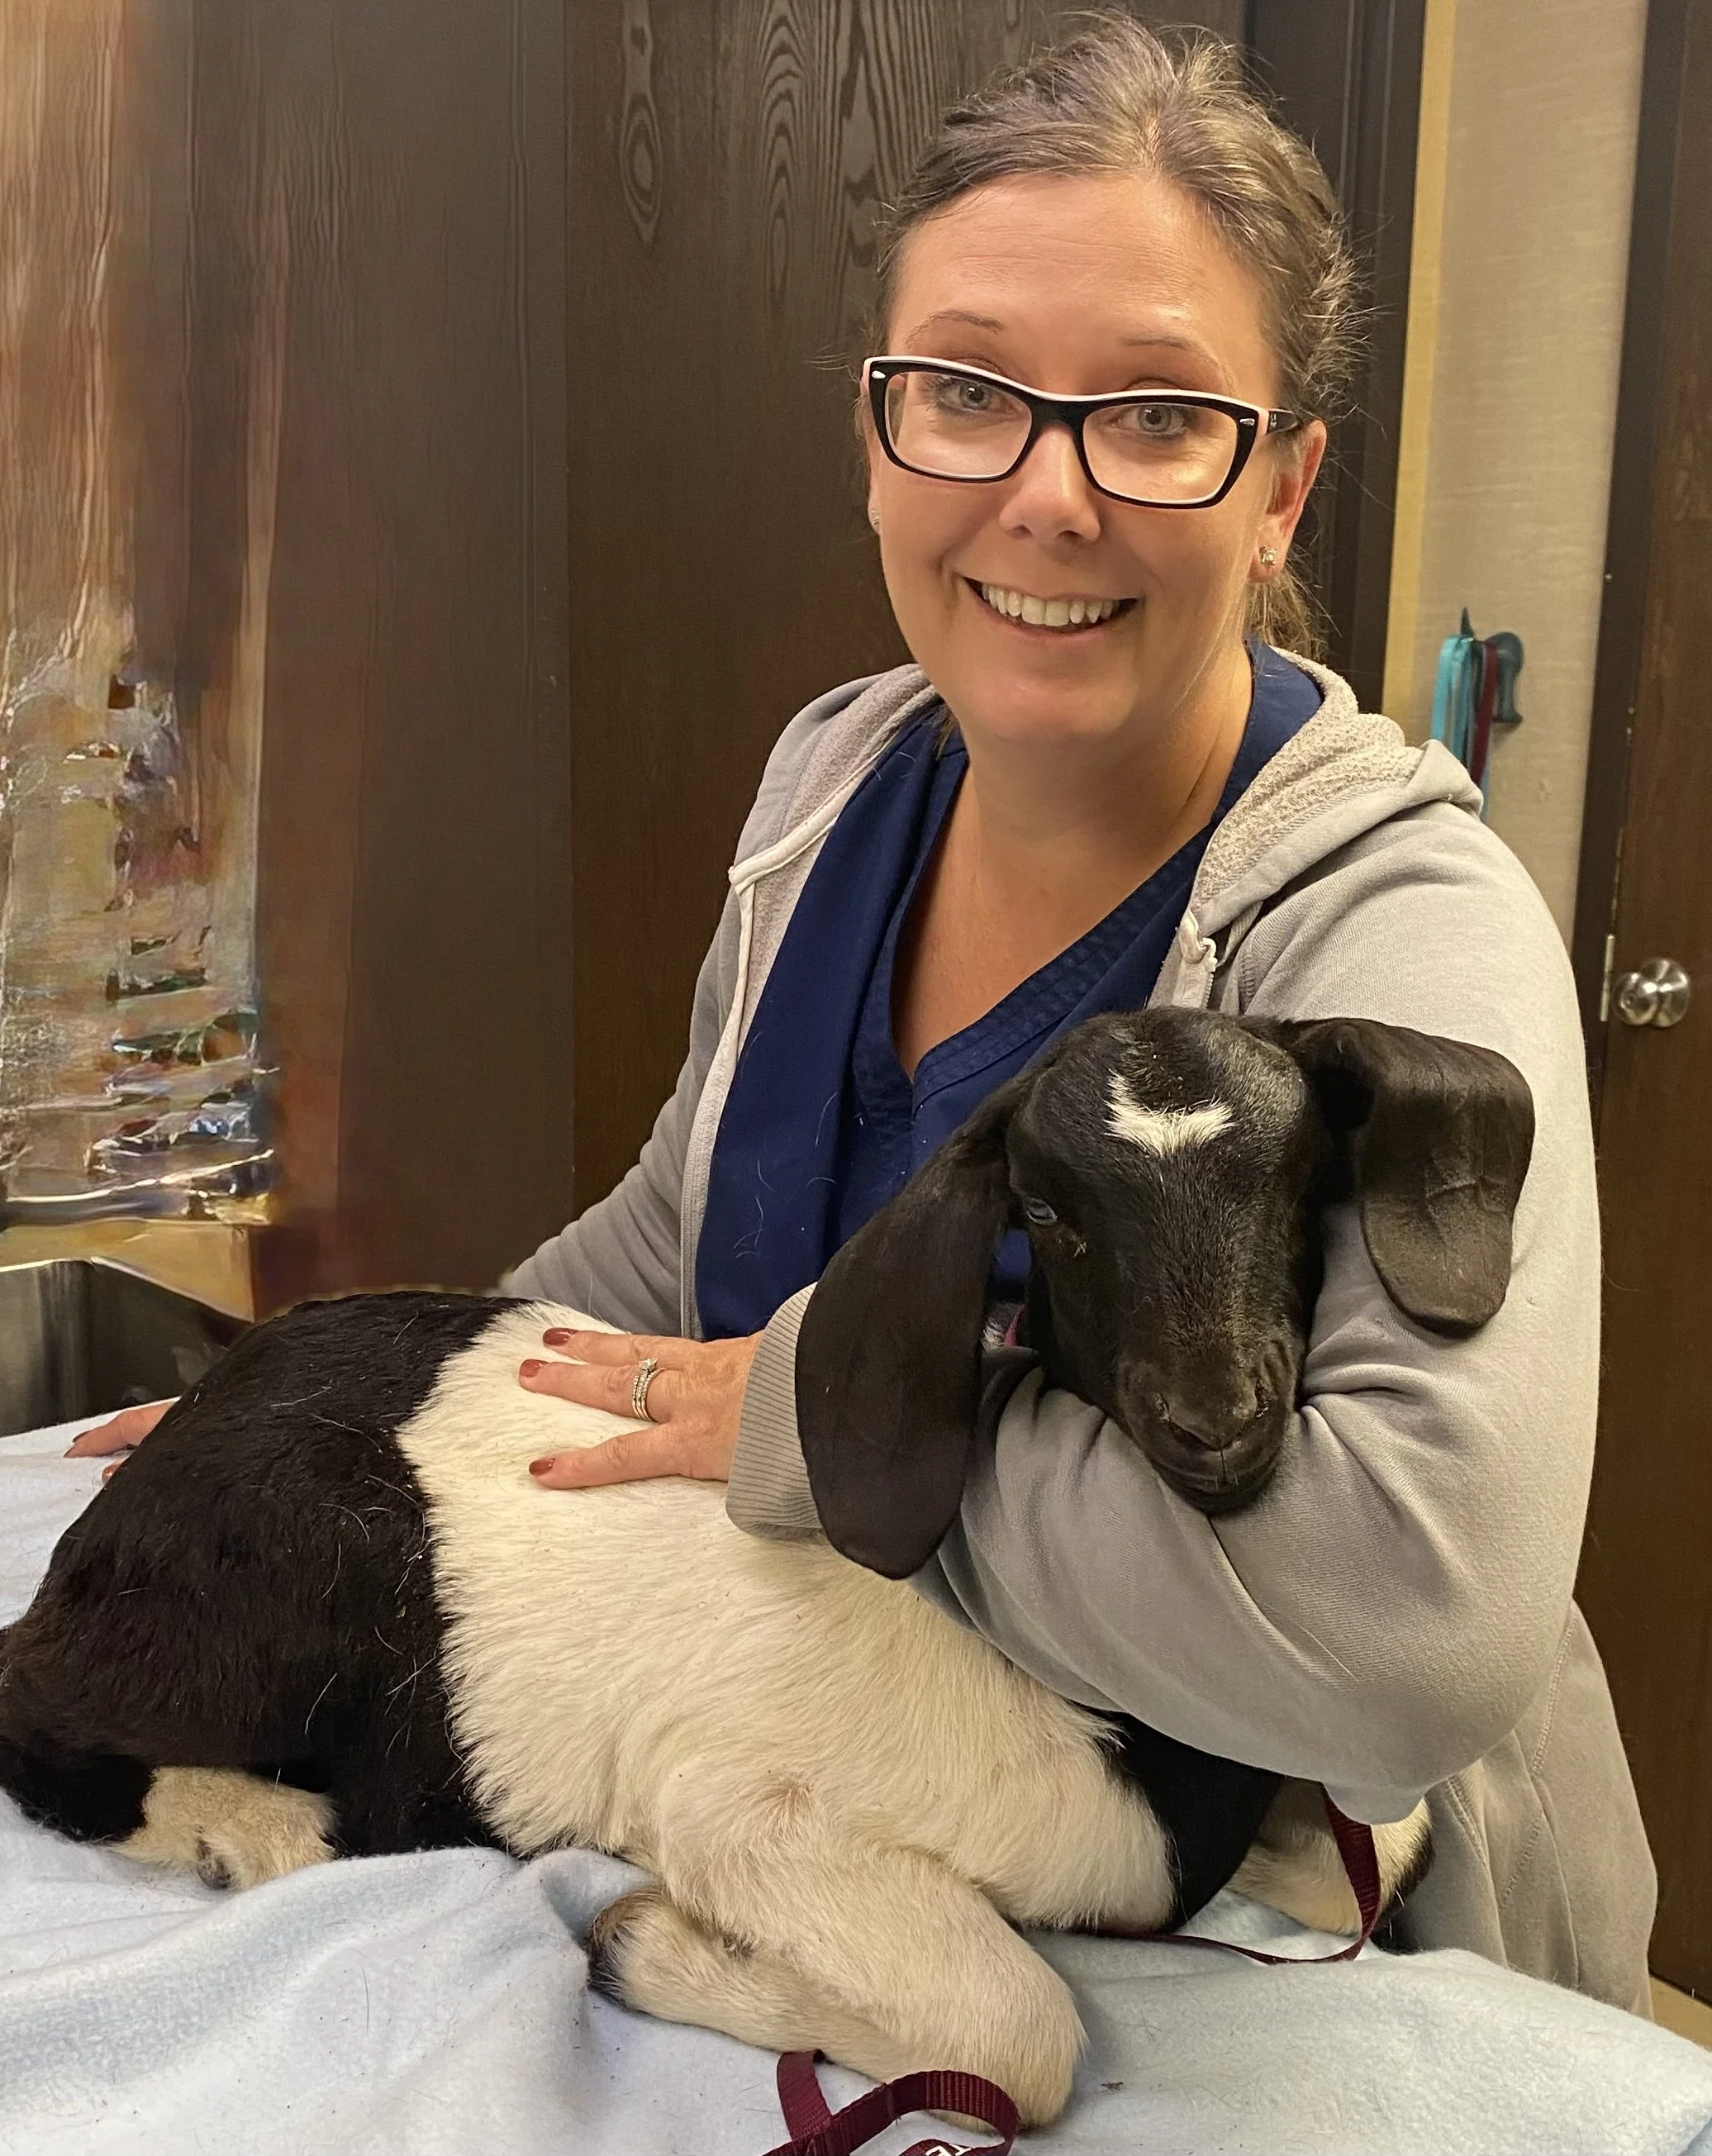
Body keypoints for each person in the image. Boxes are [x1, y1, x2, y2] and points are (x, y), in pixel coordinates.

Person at [74, 17, 1655, 2011]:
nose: (1048, 496)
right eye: (966, 392)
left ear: (1283, 487)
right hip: (891, 1809)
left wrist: (834, 1429)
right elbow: (671, 1254)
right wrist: (348, 1401)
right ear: (877, 428)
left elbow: (1401, 1632)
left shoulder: (1398, 928)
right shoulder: (836, 782)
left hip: (1297, 1907)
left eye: (1158, 413)